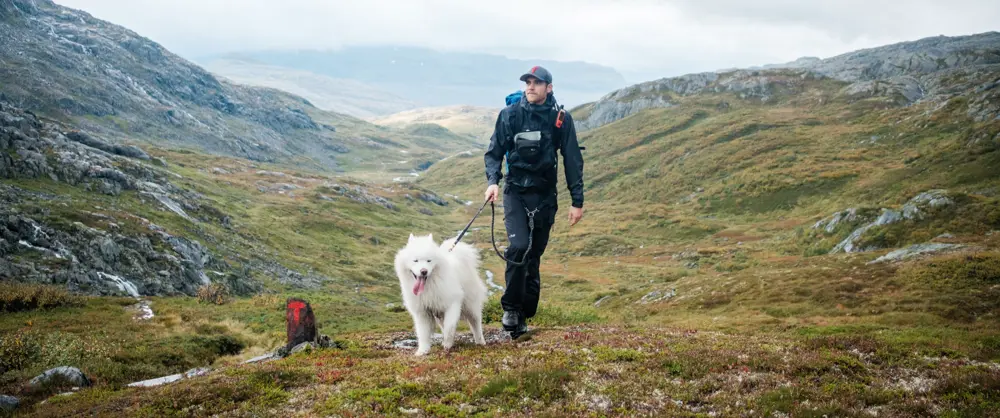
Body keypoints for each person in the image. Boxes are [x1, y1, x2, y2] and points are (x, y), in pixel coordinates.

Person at [483, 65, 585, 339]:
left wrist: (577, 201)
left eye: (537, 83)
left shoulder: (560, 119)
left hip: (544, 196)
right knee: (518, 248)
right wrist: (493, 181)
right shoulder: (510, 115)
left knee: (533, 257)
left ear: (548, 88)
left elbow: (573, 159)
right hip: (515, 192)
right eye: (528, 82)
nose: (530, 86)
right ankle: (511, 309)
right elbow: (494, 152)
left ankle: (525, 314)